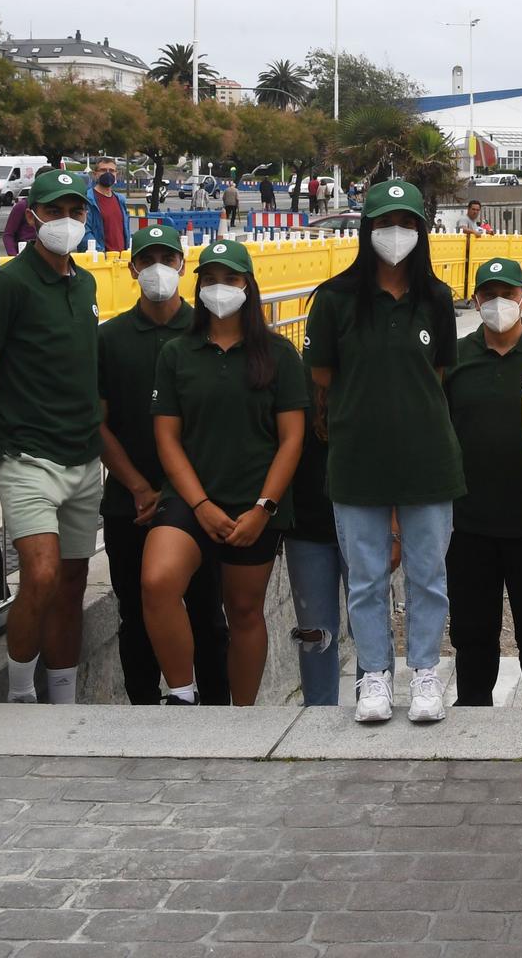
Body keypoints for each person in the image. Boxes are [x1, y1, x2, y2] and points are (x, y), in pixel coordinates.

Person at [305, 180, 464, 725]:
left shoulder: (437, 299)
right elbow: (323, 374)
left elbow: (438, 373)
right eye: (382, 223)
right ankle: (373, 675)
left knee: (427, 574)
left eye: (406, 223)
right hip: (356, 458)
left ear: (421, 230)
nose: (394, 234)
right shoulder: (333, 300)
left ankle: (424, 673)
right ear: (365, 229)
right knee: (367, 576)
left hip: (428, 459)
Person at [0, 169, 105, 705]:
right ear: (33, 215)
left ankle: (62, 698)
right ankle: (20, 694)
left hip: (83, 458)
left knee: (71, 584)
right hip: (26, 457)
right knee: (40, 575)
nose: (66, 221)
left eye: (76, 211)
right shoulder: (8, 285)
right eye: (55, 210)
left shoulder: (84, 281)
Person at [147, 239, 309, 705]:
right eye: (210, 280)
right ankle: (182, 696)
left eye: (231, 279)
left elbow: (292, 439)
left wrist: (264, 507)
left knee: (243, 610)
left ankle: (242, 716)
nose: (220, 289)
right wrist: (199, 504)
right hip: (190, 499)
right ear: (197, 287)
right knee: (158, 582)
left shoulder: (278, 355)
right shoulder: (177, 353)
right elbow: (167, 438)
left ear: (249, 286)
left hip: (255, 504)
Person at [95, 224, 229, 705]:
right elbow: (98, 421)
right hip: (127, 504)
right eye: (146, 260)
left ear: (182, 266)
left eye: (166, 259)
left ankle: (216, 712)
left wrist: (191, 497)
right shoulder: (108, 338)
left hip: (198, 505)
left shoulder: (208, 332)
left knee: (207, 616)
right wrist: (136, 486)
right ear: (131, 268)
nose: (157, 270)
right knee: (135, 616)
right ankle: (145, 713)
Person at [445, 257, 522, 706]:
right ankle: (473, 716)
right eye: (488, 295)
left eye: (507, 294)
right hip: (469, 524)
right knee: (472, 634)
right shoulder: (454, 360)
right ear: (475, 300)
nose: (498, 303)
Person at [284, 410, 346, 706]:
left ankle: (377, 719)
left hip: (366, 520)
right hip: (305, 523)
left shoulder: (365, 370)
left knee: (371, 625)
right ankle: (316, 721)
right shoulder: (290, 370)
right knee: (314, 634)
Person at [85, 160, 131, 254]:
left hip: (122, 260)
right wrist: (100, 255)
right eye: (103, 170)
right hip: (100, 261)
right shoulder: (88, 200)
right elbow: (85, 233)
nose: (108, 173)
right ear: (95, 174)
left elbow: (125, 231)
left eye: (111, 170)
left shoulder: (120, 200)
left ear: (116, 174)